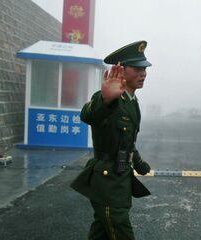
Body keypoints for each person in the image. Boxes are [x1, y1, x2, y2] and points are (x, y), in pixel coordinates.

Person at [71, 40, 153, 240]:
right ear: (121, 70)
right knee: (121, 232)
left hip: (120, 180)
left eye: (145, 68)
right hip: (107, 181)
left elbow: (127, 142)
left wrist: (140, 164)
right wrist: (105, 99)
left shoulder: (132, 102)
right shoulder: (109, 97)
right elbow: (87, 115)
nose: (143, 73)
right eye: (137, 68)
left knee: (101, 232)